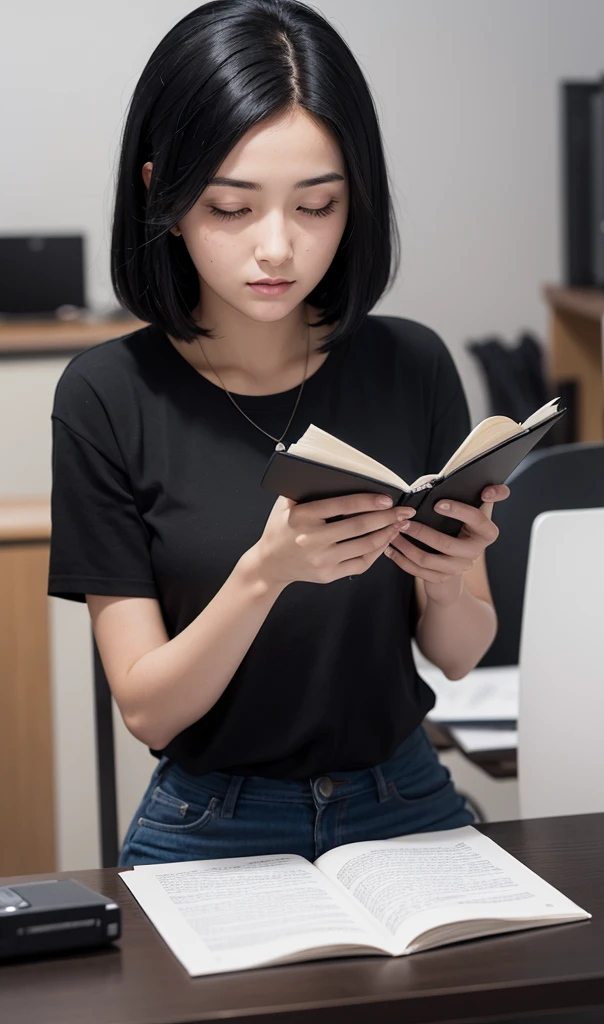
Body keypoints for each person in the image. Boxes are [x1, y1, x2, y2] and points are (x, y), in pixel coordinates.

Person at [47, 0, 510, 868]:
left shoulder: (412, 364)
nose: (278, 248)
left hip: (404, 795)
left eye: (318, 205)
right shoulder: (108, 394)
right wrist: (265, 575)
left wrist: (448, 586)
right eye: (230, 208)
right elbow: (148, 708)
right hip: (213, 820)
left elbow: (459, 657)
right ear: (164, 193)